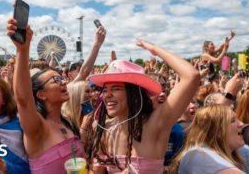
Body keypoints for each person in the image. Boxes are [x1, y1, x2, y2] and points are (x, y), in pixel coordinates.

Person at [84, 39, 200, 173]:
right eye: (104, 90)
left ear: (134, 94)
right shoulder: (103, 129)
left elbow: (191, 76)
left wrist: (154, 49)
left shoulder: (156, 124)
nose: (107, 94)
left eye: (116, 88)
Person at [7, 18, 89, 174]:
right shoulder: (37, 127)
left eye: (62, 78)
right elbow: (23, 100)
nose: (64, 82)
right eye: (56, 80)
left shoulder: (67, 122)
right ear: (41, 94)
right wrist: (22, 50)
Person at [170, 105, 246, 174]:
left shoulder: (238, 153)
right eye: (232, 121)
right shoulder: (198, 154)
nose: (241, 124)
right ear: (216, 131)